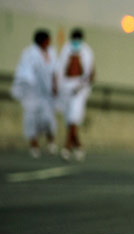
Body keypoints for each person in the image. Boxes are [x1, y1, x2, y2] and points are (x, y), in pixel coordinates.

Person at [11, 29, 58, 158]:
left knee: (49, 119)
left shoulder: (52, 52)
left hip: (46, 94)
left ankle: (51, 143)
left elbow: (54, 70)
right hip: (32, 93)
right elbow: (25, 71)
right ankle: (34, 146)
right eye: (48, 40)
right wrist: (28, 82)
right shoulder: (29, 53)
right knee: (31, 120)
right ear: (42, 41)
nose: (49, 42)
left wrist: (54, 85)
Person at [56, 28, 95, 161]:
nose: (76, 42)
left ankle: (67, 146)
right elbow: (60, 69)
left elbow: (90, 72)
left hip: (80, 88)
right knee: (69, 119)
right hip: (66, 86)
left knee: (74, 117)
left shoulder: (87, 51)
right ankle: (78, 146)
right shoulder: (66, 49)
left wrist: (82, 86)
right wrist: (57, 85)